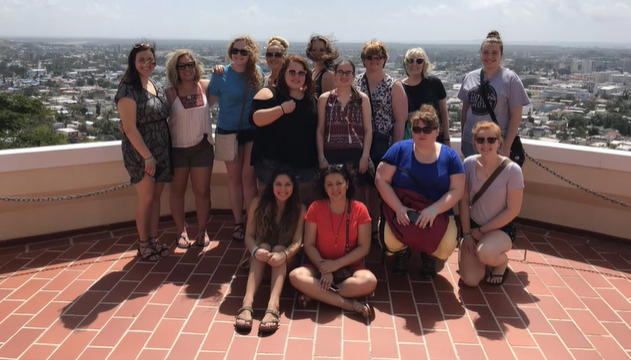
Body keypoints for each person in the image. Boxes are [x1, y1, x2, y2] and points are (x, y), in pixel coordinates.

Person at [375, 105, 464, 277]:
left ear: (437, 131)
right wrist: (398, 207)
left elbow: (457, 190)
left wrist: (434, 210)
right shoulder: (400, 150)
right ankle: (401, 252)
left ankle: (429, 254)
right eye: (416, 129)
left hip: (436, 213)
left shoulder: (450, 157)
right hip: (403, 210)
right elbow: (381, 179)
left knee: (445, 247)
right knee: (389, 240)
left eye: (427, 129)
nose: (421, 133)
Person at [288, 165, 376, 320]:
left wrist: (335, 265)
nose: (334, 188)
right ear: (324, 187)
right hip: (319, 265)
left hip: (349, 267)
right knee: (296, 276)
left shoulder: (360, 209)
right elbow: (308, 244)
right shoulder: (315, 208)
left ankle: (315, 294)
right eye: (329, 184)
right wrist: (325, 269)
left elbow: (364, 248)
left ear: (347, 184)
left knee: (369, 282)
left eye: (339, 183)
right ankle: (350, 305)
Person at [115, 41, 171, 261]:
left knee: (156, 198)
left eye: (150, 59)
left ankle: (154, 239)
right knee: (146, 199)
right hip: (141, 152)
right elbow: (129, 128)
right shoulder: (127, 89)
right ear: (133, 62)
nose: (147, 63)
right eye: (141, 60)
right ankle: (144, 243)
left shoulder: (154, 84)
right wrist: (147, 156)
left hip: (160, 149)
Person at [234, 168, 306, 333]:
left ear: (294, 187)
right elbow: (249, 237)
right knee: (264, 246)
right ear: (271, 186)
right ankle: (247, 304)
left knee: (279, 248)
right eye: (278, 184)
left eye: (287, 185)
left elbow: (297, 242)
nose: (282, 189)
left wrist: (284, 254)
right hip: (261, 259)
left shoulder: (300, 209)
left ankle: (273, 306)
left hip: (287, 261)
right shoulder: (257, 204)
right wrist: (255, 251)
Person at [208, 36, 264, 241]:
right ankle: (238, 222)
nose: (239, 55)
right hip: (227, 130)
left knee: (248, 178)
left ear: (251, 55)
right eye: (235, 50)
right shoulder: (220, 75)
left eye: (244, 52)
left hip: (251, 129)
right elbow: (209, 103)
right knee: (234, 179)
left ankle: (252, 223)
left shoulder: (257, 73)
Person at [354, 40, 408, 241]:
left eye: (378, 57)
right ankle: (360, 229)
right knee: (358, 187)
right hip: (358, 142)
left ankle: (375, 231)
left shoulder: (394, 86)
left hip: (382, 144)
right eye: (369, 57)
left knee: (377, 188)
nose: (373, 61)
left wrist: (396, 151)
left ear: (384, 60)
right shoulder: (356, 82)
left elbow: (400, 121)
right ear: (363, 60)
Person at [458, 121, 524, 286]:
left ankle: (501, 263)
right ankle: (478, 257)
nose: (485, 144)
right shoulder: (469, 164)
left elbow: (513, 210)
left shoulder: (513, 170)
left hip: (499, 229)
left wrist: (483, 230)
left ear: (499, 142)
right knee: (471, 280)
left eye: (491, 140)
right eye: (480, 140)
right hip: (472, 229)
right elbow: (464, 201)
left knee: (486, 253)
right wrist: (467, 234)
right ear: (474, 143)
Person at [250, 55, 318, 205]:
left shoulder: (311, 99)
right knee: (270, 206)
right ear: (283, 73)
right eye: (292, 72)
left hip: (304, 165)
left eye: (301, 73)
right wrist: (281, 109)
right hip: (272, 163)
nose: (296, 76)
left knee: (302, 205)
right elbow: (256, 119)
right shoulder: (269, 93)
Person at [164, 49, 213, 249]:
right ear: (175, 69)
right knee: (177, 191)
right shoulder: (169, 93)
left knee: (202, 192)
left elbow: (230, 89)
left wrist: (219, 70)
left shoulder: (205, 86)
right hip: (177, 149)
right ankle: (181, 231)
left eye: (190, 64)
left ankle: (202, 230)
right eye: (182, 66)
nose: (187, 69)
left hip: (202, 147)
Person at [458, 31, 530, 158]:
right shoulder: (470, 77)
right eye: (485, 52)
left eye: (494, 53)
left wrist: (506, 147)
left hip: (496, 144)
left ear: (501, 55)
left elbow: (516, 117)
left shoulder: (510, 79)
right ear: (480, 53)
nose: (489, 56)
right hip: (471, 142)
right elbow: (465, 112)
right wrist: (463, 138)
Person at [316, 59, 372, 192]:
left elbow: (368, 130)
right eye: (340, 72)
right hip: (331, 154)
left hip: (355, 154)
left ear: (353, 76)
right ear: (334, 75)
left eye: (348, 73)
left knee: (357, 194)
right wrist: (321, 157)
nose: (344, 76)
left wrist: (365, 156)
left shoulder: (362, 98)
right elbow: (320, 130)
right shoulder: (325, 98)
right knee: (333, 192)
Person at [401, 47, 450, 146]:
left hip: (435, 138)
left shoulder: (435, 83)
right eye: (411, 60)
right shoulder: (399, 87)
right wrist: (412, 116)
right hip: (411, 139)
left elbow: (443, 112)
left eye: (419, 61)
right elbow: (396, 117)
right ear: (406, 63)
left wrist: (446, 139)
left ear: (424, 64)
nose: (414, 64)